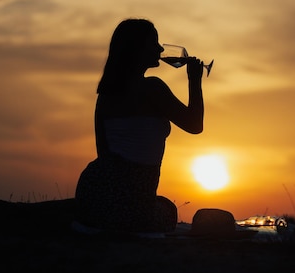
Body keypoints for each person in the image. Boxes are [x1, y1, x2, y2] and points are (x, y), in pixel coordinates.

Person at [74, 18, 205, 233]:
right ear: (136, 49)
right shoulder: (153, 88)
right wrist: (194, 80)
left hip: (93, 188)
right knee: (167, 210)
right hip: (134, 201)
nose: (160, 48)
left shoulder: (106, 94)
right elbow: (194, 125)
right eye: (153, 42)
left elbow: (103, 152)